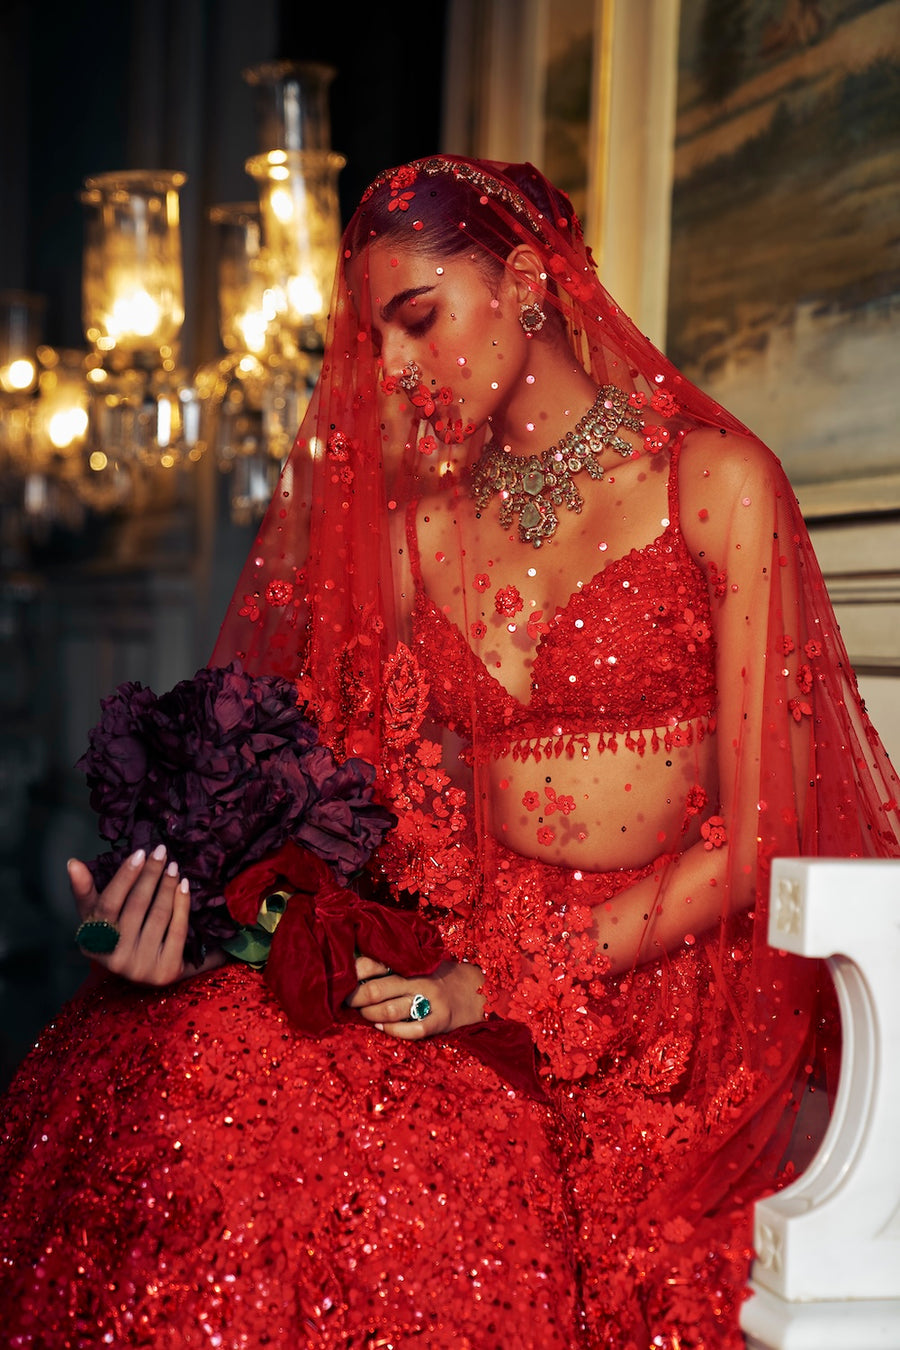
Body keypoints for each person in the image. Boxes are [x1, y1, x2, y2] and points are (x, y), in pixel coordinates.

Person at [1, 155, 898, 1350]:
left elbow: (767, 839)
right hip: (442, 954)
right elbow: (324, 799)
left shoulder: (715, 486)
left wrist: (506, 983)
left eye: (418, 318)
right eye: (379, 338)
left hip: (647, 987)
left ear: (524, 281)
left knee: (400, 1184)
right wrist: (197, 907)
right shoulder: (415, 535)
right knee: (185, 1065)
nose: (397, 365)